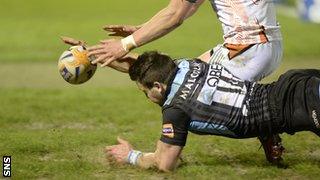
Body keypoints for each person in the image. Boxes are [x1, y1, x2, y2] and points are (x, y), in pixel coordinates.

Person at [86, 0, 284, 163]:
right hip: (267, 45)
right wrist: (140, 30)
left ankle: (165, 156)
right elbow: (187, 6)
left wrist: (125, 44)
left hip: (245, 49)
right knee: (177, 75)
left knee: (179, 89)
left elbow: (175, 14)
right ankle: (269, 135)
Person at [101, 51, 320, 172]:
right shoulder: (186, 64)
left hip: (303, 103)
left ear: (158, 87)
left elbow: (165, 163)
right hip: (295, 83)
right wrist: (94, 58)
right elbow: (144, 68)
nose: (147, 98)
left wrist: (130, 155)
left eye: (145, 92)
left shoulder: (175, 110)